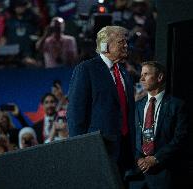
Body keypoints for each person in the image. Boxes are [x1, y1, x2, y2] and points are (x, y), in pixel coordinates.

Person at [67, 26, 136, 185]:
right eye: (121, 42)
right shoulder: (86, 69)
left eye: (126, 41)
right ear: (105, 46)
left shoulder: (124, 72)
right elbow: (75, 113)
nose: (126, 45)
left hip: (124, 149)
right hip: (99, 149)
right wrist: (80, 148)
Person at [133, 61, 189, 189]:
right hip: (139, 175)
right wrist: (139, 159)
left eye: (146, 74)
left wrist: (156, 158)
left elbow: (181, 138)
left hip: (165, 174)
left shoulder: (177, 105)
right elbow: (135, 137)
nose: (141, 79)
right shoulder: (138, 106)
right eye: (141, 74)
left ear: (159, 77)